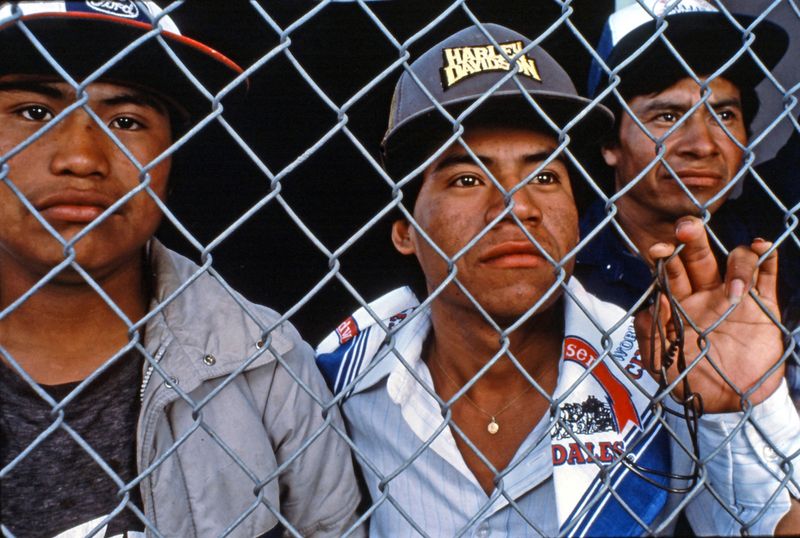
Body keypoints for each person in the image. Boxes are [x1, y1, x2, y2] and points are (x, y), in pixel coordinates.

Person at [316, 23, 800, 536]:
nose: (515, 205)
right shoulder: (344, 374)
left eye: (544, 175)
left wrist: (740, 407)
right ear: (404, 233)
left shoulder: (659, 369)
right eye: (466, 178)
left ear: (575, 213)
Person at [0, 2, 360, 537]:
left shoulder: (267, 362)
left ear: (171, 157)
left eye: (125, 121)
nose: (80, 157)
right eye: (34, 112)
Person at [576, 0, 790, 314]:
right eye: (667, 116)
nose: (702, 145)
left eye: (724, 115)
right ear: (609, 143)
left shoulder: (773, 237)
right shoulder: (563, 261)